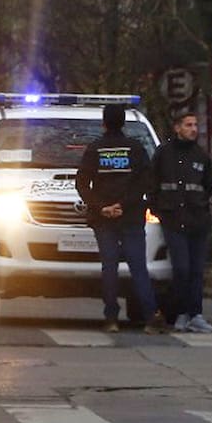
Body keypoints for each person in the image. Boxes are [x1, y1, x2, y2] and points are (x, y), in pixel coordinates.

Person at [75, 103, 167, 334]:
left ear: (104, 123)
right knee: (138, 268)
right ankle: (149, 318)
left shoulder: (95, 149)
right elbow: (146, 182)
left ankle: (111, 319)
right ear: (124, 122)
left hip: (104, 219)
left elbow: (82, 183)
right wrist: (124, 205)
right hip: (132, 217)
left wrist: (101, 207)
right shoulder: (135, 148)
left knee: (109, 267)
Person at [151, 111, 212, 333]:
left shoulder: (201, 156)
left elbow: (208, 186)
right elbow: (152, 184)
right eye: (188, 125)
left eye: (195, 125)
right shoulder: (163, 154)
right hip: (173, 221)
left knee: (197, 270)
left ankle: (195, 315)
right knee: (181, 268)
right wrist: (158, 210)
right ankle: (181, 313)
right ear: (177, 127)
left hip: (198, 221)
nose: (193, 129)